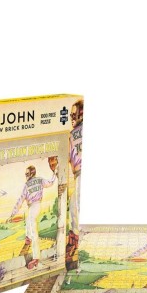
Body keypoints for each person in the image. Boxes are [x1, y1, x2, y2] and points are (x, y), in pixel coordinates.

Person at [7, 165, 57, 269]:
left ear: (32, 173)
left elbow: (20, 200)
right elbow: (51, 182)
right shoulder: (39, 180)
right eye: (25, 174)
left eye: (27, 174)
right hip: (36, 206)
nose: (25, 175)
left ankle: (36, 258)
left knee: (33, 229)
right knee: (28, 220)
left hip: (34, 206)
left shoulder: (27, 185)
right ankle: (28, 238)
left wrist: (12, 214)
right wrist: (54, 173)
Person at [68, 99, 83, 250]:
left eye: (74, 114)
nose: (71, 117)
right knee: (73, 205)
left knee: (77, 205)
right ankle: (74, 236)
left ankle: (78, 239)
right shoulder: (72, 134)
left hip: (82, 173)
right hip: (77, 174)